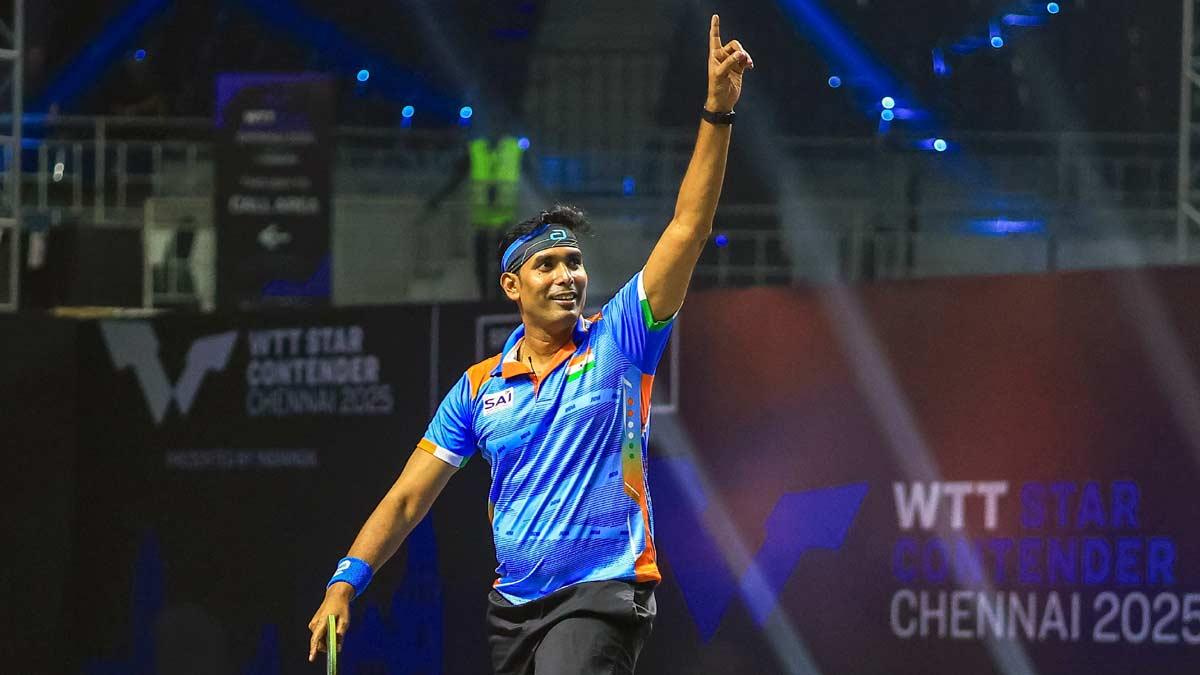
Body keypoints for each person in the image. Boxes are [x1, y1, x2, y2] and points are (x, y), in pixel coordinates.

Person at [308, 15, 752, 674]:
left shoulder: (621, 339)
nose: (568, 275)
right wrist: (345, 580)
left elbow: (688, 227)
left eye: (574, 262)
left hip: (604, 592)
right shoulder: (478, 388)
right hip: (513, 609)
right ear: (512, 285)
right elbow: (407, 499)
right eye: (547, 265)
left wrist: (717, 112)